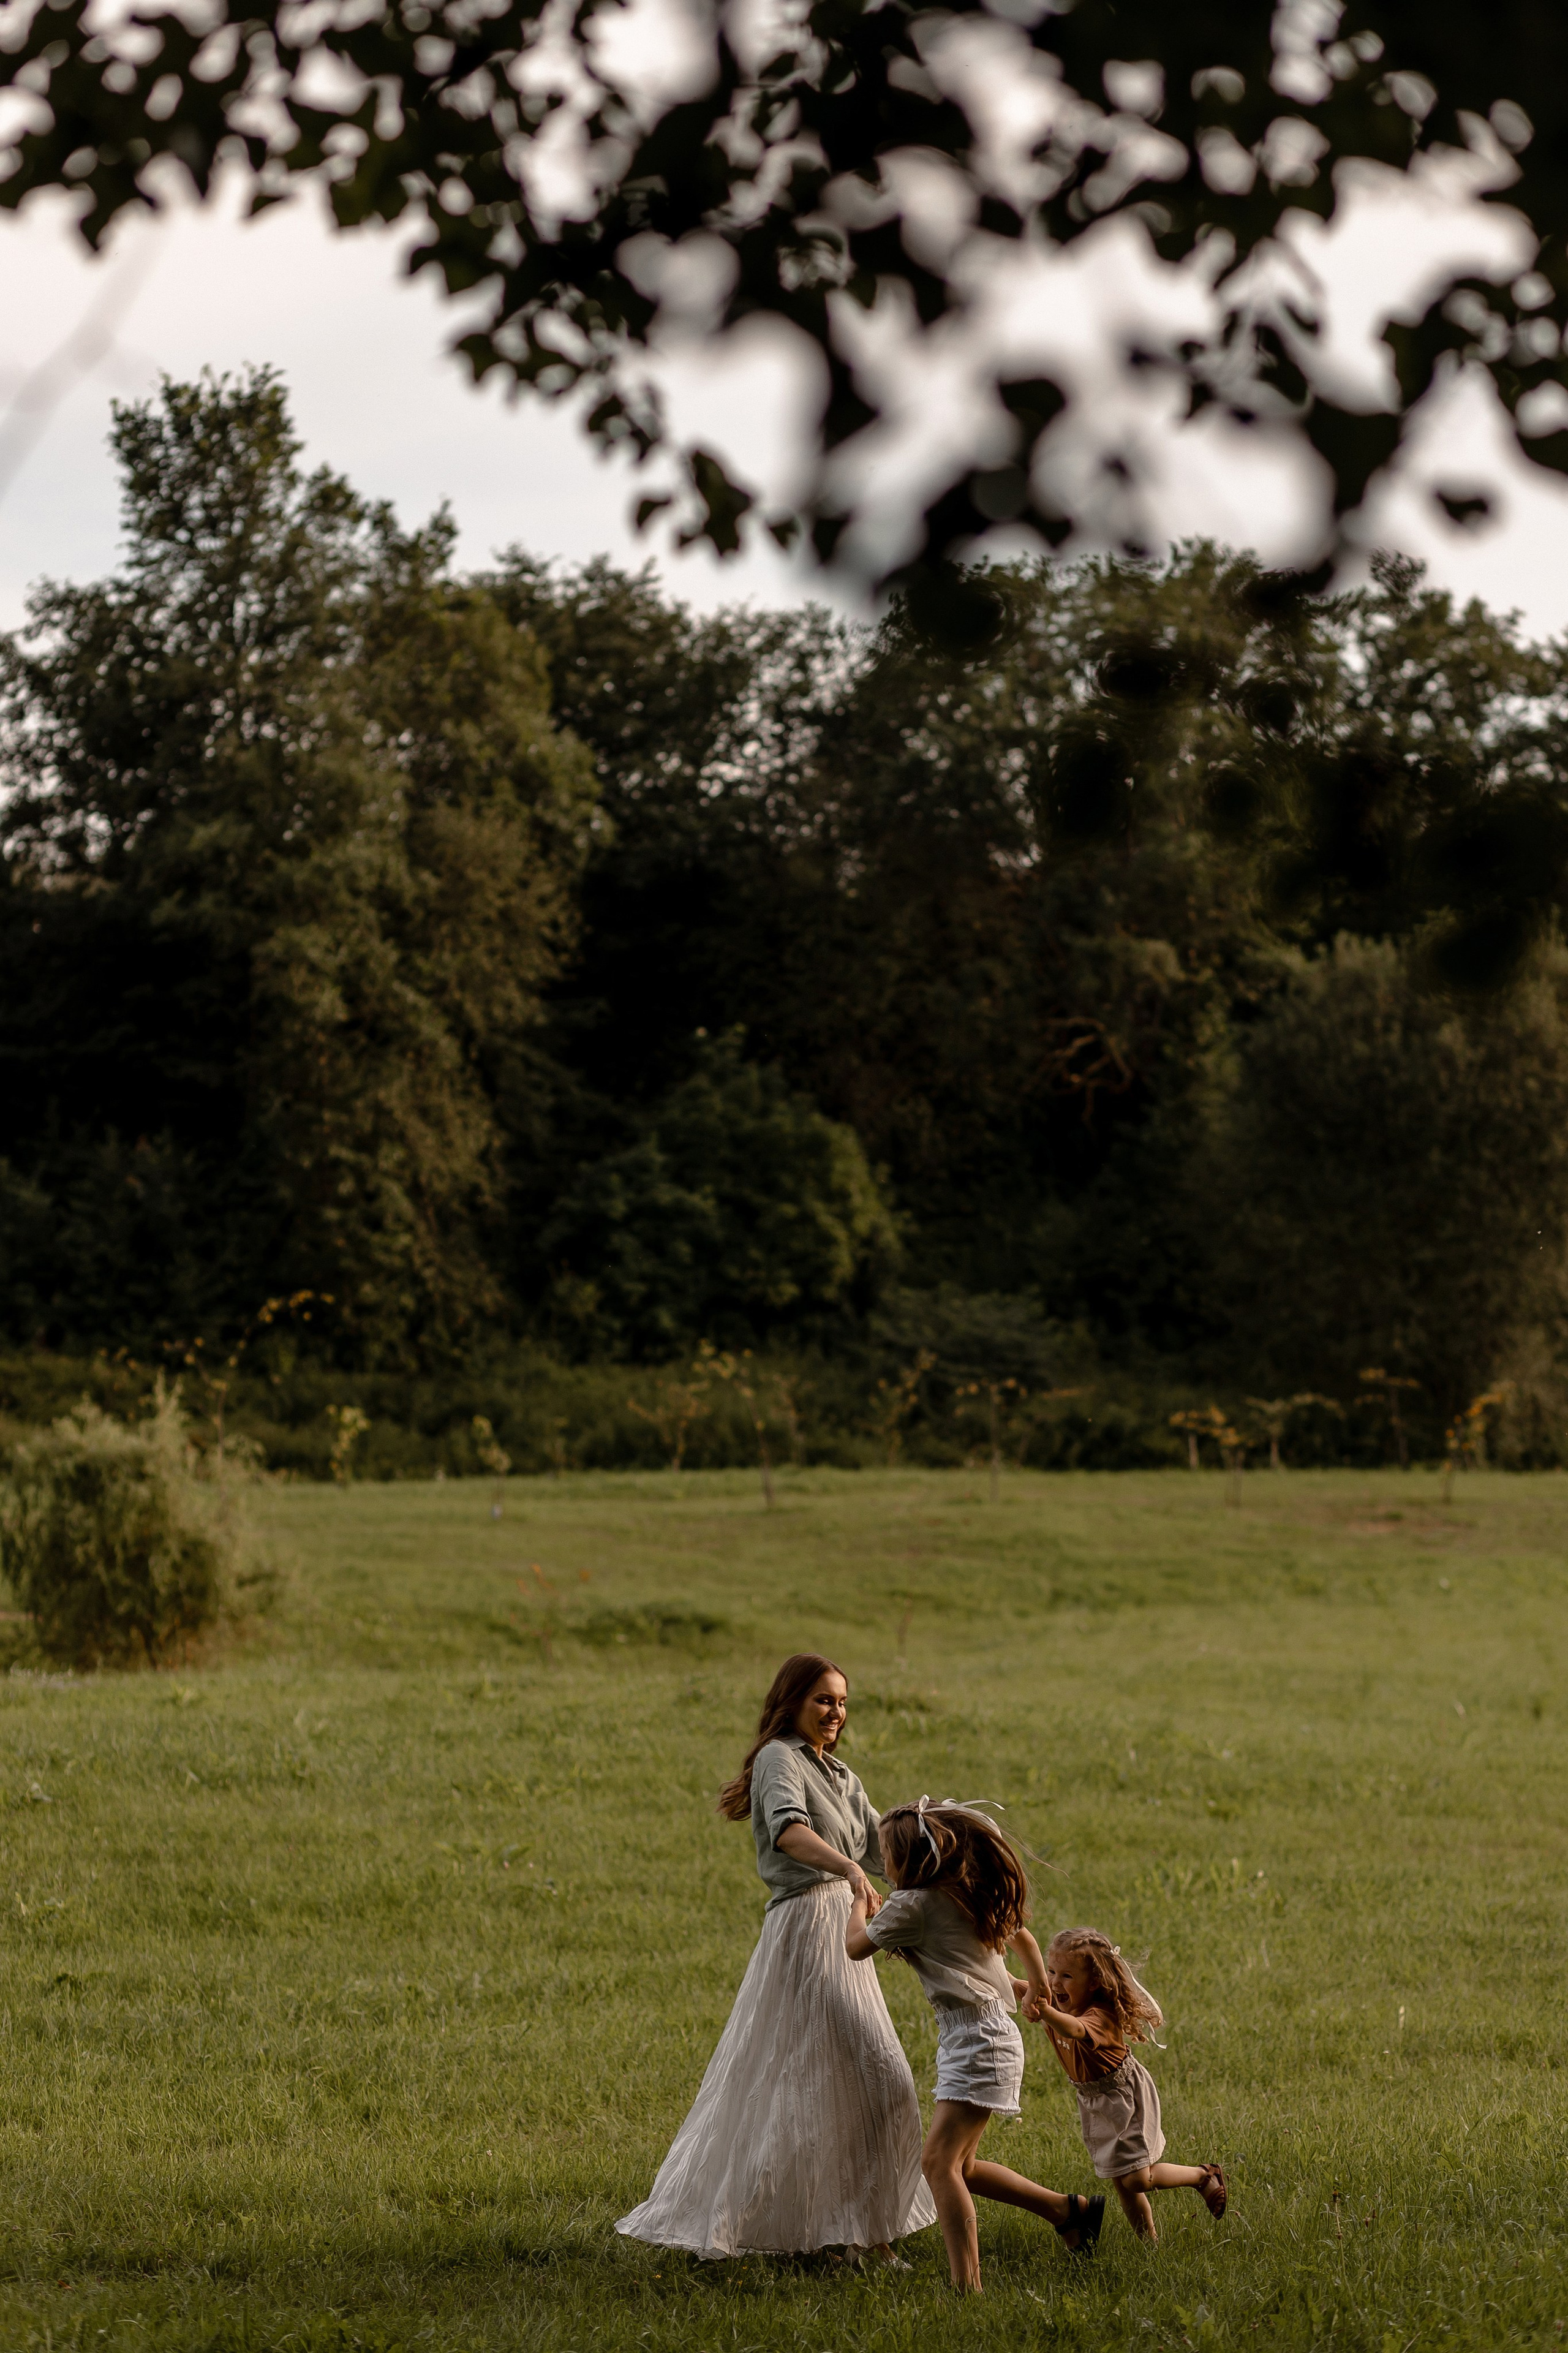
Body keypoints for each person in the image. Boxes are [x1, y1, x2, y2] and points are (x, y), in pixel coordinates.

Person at [616, 1652, 937, 2260]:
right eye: (823, 1699)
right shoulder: (777, 1760)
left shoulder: (842, 1776)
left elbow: (886, 1850)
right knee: (848, 2079)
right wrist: (845, 1867)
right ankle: (832, 2233)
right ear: (791, 1703)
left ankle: (855, 2233)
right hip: (804, 1931)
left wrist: (945, 1862)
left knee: (861, 2085)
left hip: (845, 1937)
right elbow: (789, 1831)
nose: (835, 1711)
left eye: (841, 1700)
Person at [846, 1799, 1104, 2292]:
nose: (883, 1863)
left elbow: (855, 1946)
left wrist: (859, 1897)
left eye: (887, 1854)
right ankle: (1069, 2212)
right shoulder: (959, 1894)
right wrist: (1035, 1987)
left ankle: (968, 2288)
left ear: (907, 1858)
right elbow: (1024, 1938)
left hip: (975, 2039)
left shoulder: (914, 1903)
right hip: (987, 2033)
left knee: (938, 2164)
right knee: (961, 2165)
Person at [1030, 1925, 1227, 2242]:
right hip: (1093, 2101)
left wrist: (1044, 2010)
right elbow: (1028, 1990)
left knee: (1137, 2179)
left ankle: (1203, 2176)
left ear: (1094, 1982)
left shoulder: (1099, 2015)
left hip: (1124, 2096)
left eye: (1067, 1976)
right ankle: (1150, 2245)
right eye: (1051, 1971)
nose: (1054, 1982)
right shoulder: (1057, 2004)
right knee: (1121, 2180)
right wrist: (1020, 1988)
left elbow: (1075, 2031)